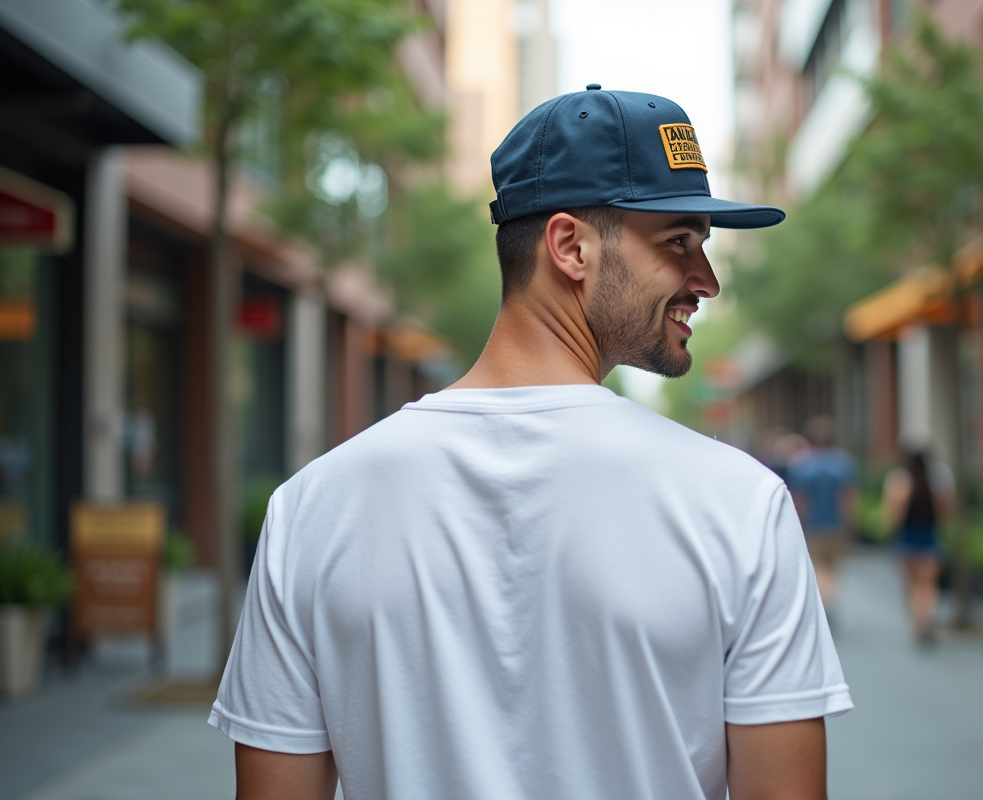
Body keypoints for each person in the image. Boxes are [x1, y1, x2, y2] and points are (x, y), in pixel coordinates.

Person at [210, 86, 852, 800]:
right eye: (680, 242)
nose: (706, 280)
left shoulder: (313, 507)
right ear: (570, 247)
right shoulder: (739, 504)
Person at [882, 448, 955, 645]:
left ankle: (918, 625)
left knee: (912, 586)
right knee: (928, 585)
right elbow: (946, 512)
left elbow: (893, 516)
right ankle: (925, 622)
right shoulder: (939, 479)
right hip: (930, 538)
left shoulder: (899, 481)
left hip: (907, 539)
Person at [785, 416, 857, 615]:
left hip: (812, 525)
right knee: (833, 566)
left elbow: (800, 500)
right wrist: (849, 522)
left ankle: (824, 603)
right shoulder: (843, 462)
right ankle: (829, 600)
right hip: (835, 524)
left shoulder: (801, 464)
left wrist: (797, 524)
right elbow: (847, 498)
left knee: (818, 566)